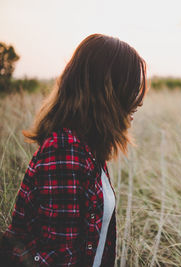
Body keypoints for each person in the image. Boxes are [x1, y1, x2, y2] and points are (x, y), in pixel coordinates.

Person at [0, 33, 147, 266]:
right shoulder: (65, 152)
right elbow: (59, 258)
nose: (136, 101)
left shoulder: (88, 149)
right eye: (129, 88)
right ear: (107, 92)